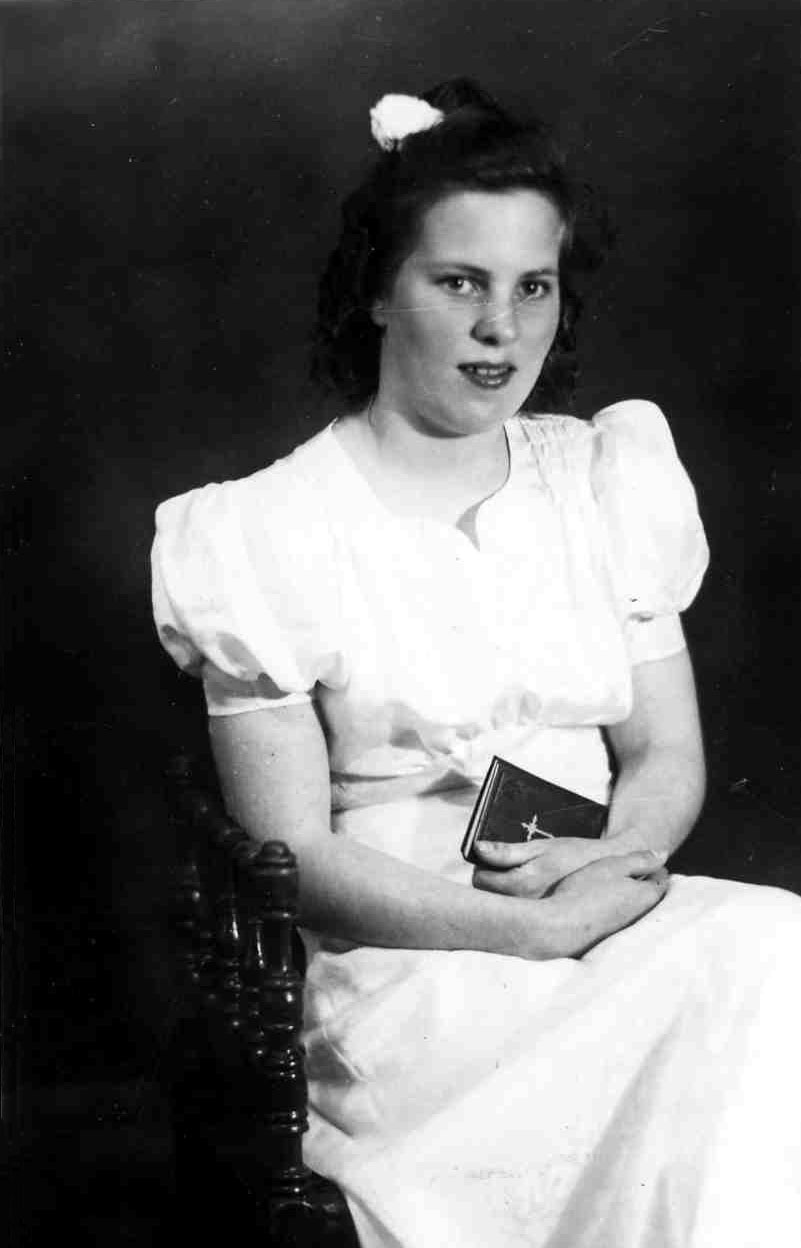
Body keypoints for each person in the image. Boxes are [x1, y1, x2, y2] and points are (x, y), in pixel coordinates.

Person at [152, 80, 801, 1248]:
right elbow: (295, 855)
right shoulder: (263, 532)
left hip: (601, 904)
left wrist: (613, 861)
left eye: (532, 286)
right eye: (460, 282)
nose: (503, 326)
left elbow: (664, 749)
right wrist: (523, 933)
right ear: (377, 291)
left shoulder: (604, 479)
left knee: (773, 950)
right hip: (414, 967)